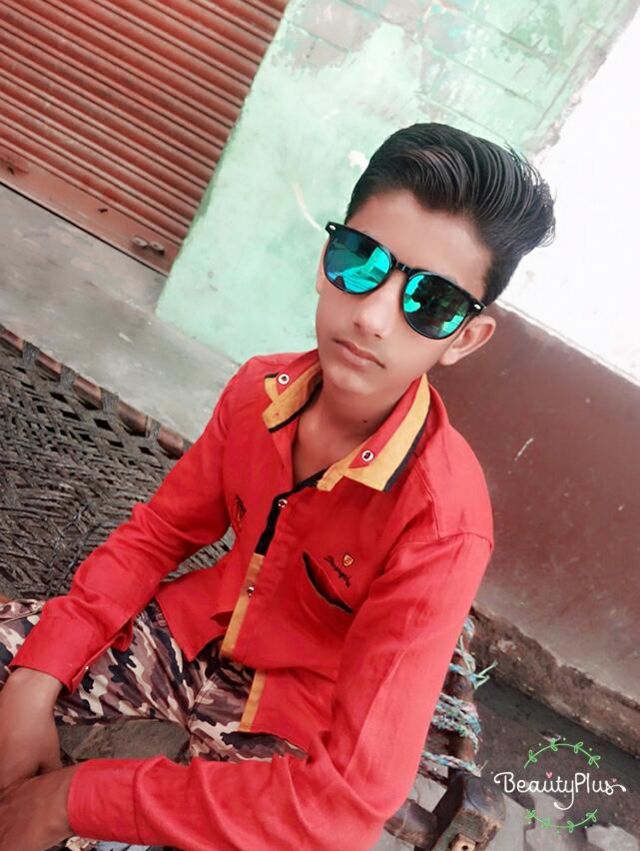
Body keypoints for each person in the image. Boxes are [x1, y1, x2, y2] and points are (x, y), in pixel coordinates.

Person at [0, 122, 555, 851]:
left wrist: (71, 798)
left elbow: (344, 805)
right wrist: (35, 678)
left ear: (465, 337)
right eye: (361, 260)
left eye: (432, 302)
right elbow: (159, 535)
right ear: (327, 256)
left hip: (298, 718)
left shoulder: (444, 523)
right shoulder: (257, 391)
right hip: (192, 633)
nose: (372, 316)